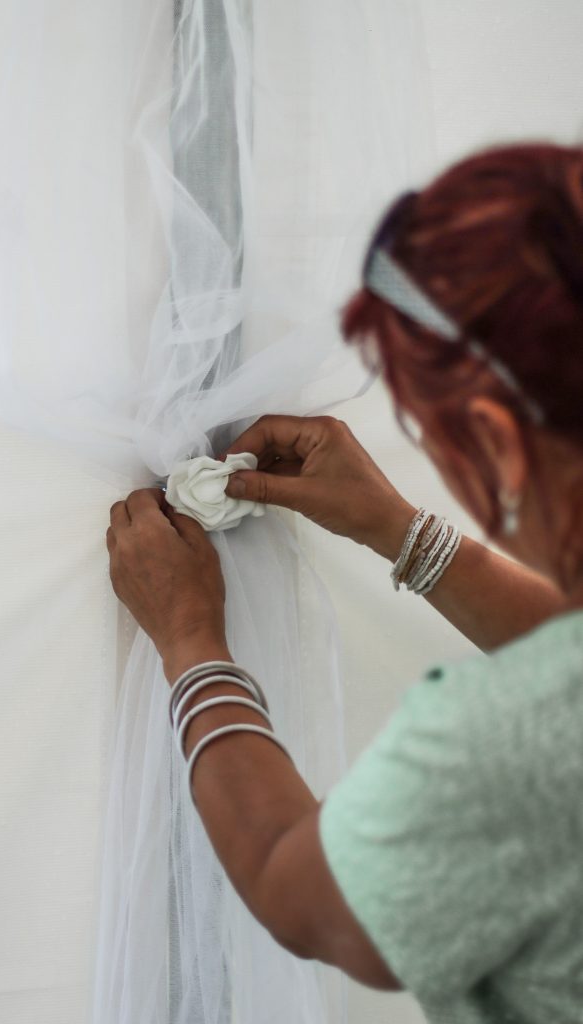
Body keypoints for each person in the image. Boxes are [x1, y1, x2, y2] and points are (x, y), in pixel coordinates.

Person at [105, 142, 583, 1023]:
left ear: (499, 443)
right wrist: (402, 533)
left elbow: (302, 892)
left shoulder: (512, 743)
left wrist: (191, 643)